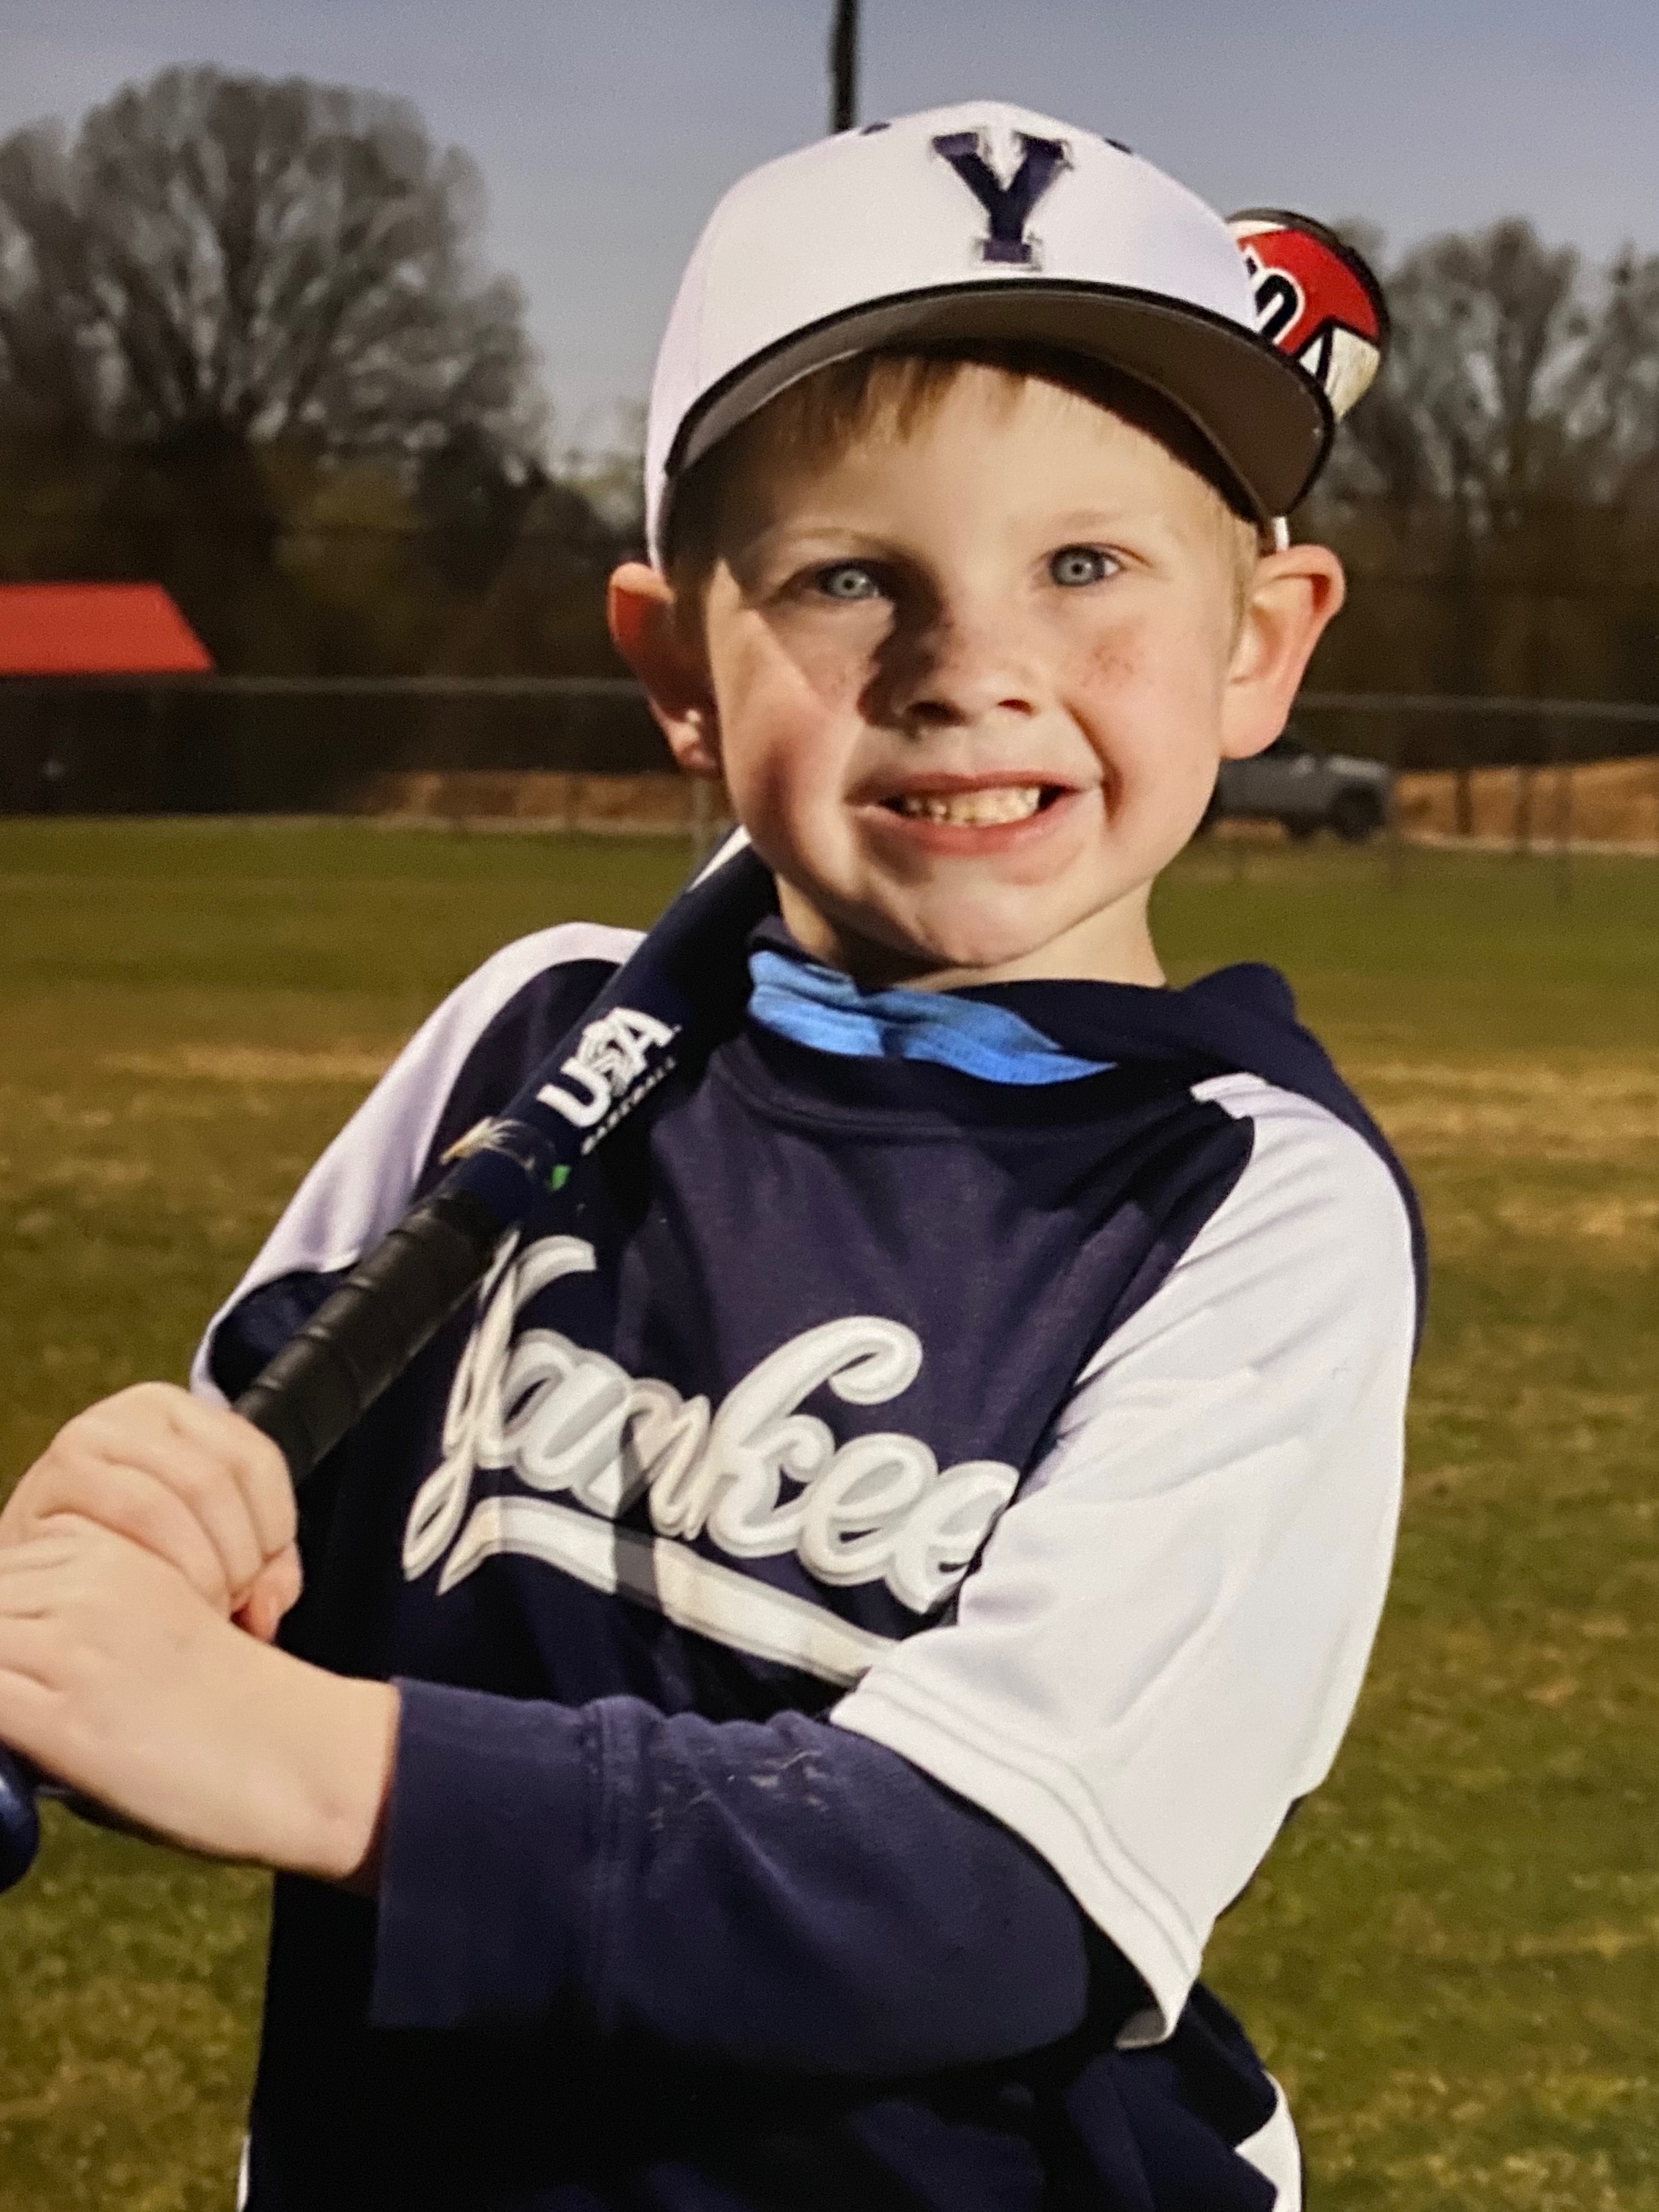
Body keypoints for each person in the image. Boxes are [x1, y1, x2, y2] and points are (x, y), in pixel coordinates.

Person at [0, 103, 1422, 2210]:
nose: (970, 672)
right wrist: (119, 1535)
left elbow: (971, 1895)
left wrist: (323, 1763)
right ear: (675, 667)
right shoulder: (534, 1034)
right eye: (849, 577)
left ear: (1260, 643)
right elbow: (230, 1578)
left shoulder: (1247, 1205)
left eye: (1085, 566)